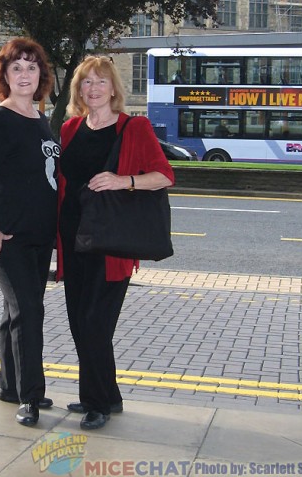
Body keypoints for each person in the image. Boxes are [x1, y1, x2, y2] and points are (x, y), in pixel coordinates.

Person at [57, 55, 174, 430]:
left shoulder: (133, 127)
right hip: (74, 242)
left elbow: (165, 176)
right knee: (79, 323)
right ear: (78, 89)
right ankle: (108, 394)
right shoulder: (70, 129)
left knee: (95, 325)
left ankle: (96, 404)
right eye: (86, 82)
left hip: (111, 246)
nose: (93, 89)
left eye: (100, 82)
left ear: (113, 88)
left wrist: (123, 180)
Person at [0, 37, 59, 427]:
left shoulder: (41, 120)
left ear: (42, 75)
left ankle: (9, 385)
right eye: (16, 68)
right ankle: (30, 396)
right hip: (8, 239)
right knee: (30, 311)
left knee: (15, 311)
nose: (25, 74)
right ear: (4, 75)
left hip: (40, 237)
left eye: (31, 67)